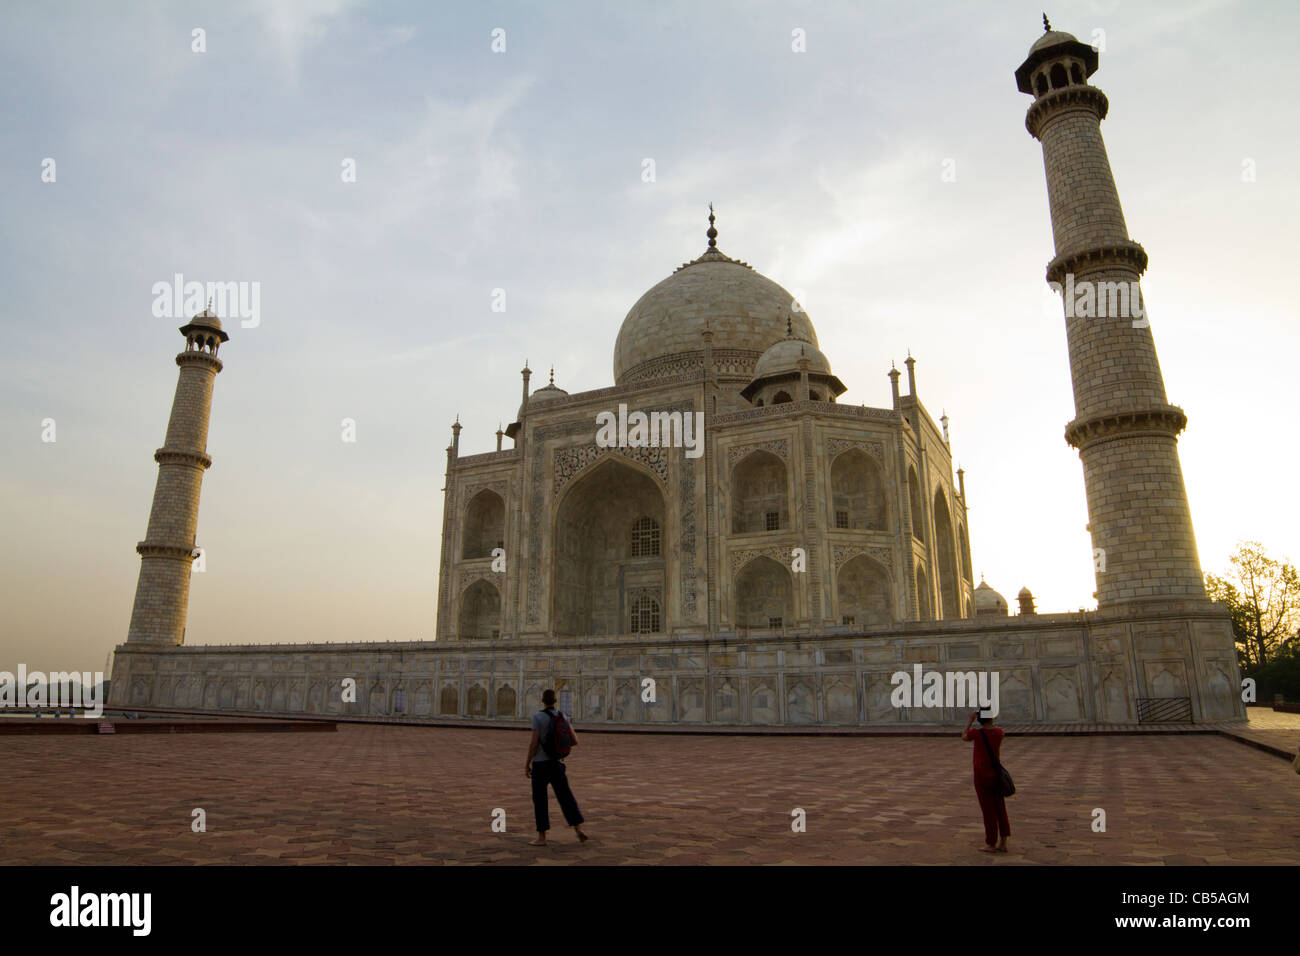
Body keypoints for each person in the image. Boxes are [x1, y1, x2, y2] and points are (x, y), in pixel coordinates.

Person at [525, 688, 589, 847]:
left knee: (540, 799)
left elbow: (533, 743)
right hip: (557, 763)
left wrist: (527, 763)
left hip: (540, 764)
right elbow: (574, 740)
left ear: (542, 700)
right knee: (566, 796)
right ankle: (578, 829)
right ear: (555, 701)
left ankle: (542, 837)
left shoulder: (538, 717)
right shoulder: (563, 717)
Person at [962, 709, 1010, 853]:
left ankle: (991, 843)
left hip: (982, 774)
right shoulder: (999, 732)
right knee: (1000, 807)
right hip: (996, 774)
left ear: (979, 720)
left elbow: (964, 736)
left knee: (988, 810)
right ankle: (1003, 842)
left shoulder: (977, 734)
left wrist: (969, 721)